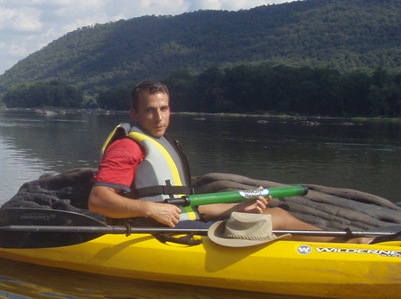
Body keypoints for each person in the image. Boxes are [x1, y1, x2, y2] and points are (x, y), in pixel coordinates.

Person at [88, 80, 371, 244]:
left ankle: (346, 245)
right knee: (275, 219)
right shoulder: (127, 147)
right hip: (155, 236)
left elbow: (188, 205)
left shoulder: (165, 144)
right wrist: (149, 209)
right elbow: (98, 201)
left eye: (164, 109)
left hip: (183, 227)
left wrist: (237, 207)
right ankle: (347, 246)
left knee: (270, 214)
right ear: (134, 114)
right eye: (150, 111)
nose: (159, 117)